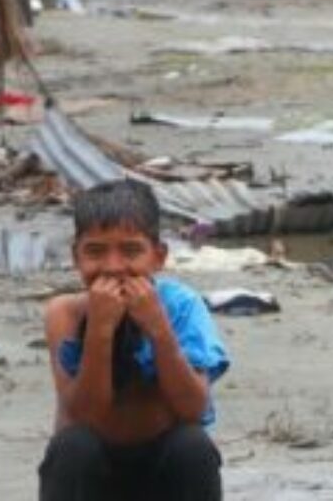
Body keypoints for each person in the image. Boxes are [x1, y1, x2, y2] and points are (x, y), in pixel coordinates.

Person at [39, 180, 230, 501]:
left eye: (131, 251)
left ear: (158, 256)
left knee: (193, 446)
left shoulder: (182, 307)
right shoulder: (65, 315)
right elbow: (83, 416)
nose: (113, 267)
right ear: (76, 257)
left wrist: (157, 327)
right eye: (95, 252)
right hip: (93, 477)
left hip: (164, 475)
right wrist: (100, 329)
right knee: (71, 448)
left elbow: (193, 410)